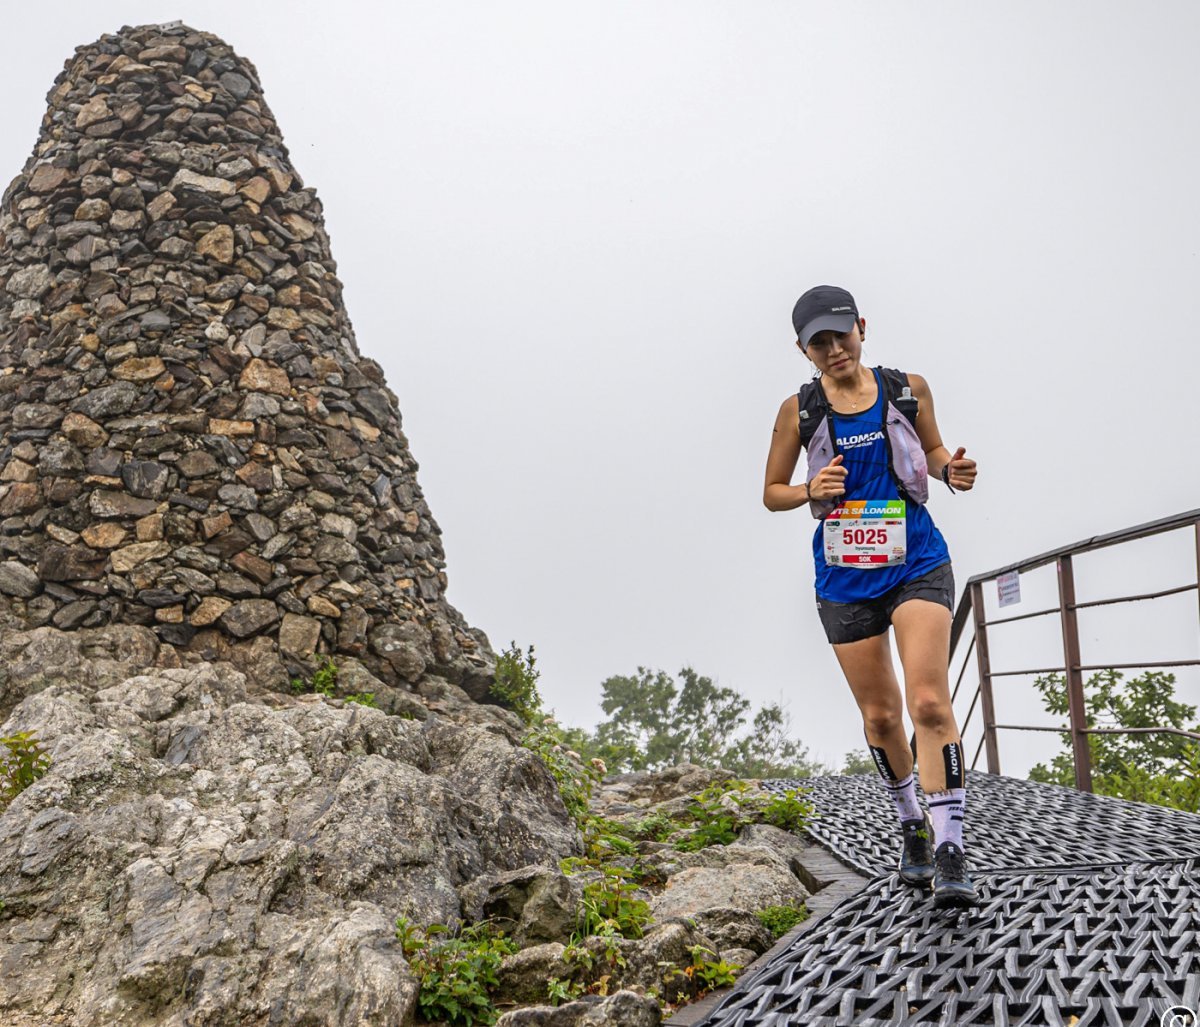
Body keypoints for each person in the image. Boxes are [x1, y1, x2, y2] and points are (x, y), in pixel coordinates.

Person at [762, 284, 980, 909]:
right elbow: (772, 490)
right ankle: (912, 823)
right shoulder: (798, 410)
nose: (834, 350)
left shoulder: (907, 387)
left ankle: (949, 847)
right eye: (819, 343)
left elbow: (934, 451)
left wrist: (949, 471)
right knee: (882, 719)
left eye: (841, 335)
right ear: (803, 350)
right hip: (846, 577)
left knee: (931, 703)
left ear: (862, 327)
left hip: (916, 559)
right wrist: (809, 489)